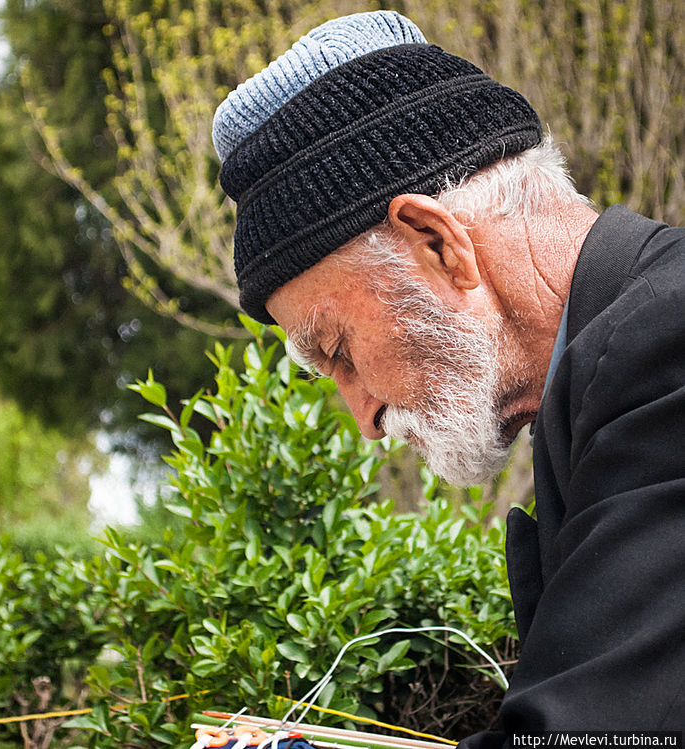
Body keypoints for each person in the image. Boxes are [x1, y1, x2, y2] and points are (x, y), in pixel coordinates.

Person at [212, 10, 685, 742]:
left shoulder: (662, 347)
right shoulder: (607, 373)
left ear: (436, 244)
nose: (361, 414)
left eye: (337, 349)